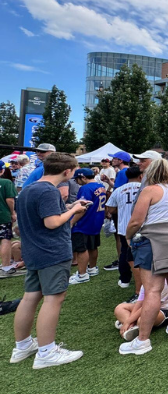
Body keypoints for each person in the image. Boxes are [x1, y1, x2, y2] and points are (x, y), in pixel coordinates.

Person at [11, 152, 87, 368]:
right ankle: (46, 352)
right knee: (54, 298)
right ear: (67, 171)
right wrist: (75, 210)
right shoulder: (48, 191)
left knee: (30, 298)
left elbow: (40, 217)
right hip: (52, 251)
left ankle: (23, 345)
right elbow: (52, 222)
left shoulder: (28, 189)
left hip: (34, 251)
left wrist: (69, 207)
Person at [121, 158, 168, 355]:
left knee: (152, 290)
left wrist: (128, 236)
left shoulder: (149, 190)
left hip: (154, 241)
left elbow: (136, 221)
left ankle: (143, 340)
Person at [105, 166, 143, 291]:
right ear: (141, 176)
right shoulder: (146, 188)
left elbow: (110, 209)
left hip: (125, 227)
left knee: (125, 253)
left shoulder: (119, 189)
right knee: (144, 253)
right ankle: (145, 279)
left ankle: (125, 279)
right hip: (142, 226)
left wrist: (121, 209)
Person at [68, 168, 107, 284]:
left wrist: (71, 222)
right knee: (92, 246)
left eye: (77, 179)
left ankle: (82, 274)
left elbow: (82, 208)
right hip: (96, 220)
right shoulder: (101, 186)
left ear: (83, 177)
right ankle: (92, 268)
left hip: (84, 222)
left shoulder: (85, 188)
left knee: (82, 249)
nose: (76, 182)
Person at [0, 171, 18, 278]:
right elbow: (10, 200)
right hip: (2, 215)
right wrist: (13, 212)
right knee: (5, 239)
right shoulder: (6, 182)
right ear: (2, 171)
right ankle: (5, 267)